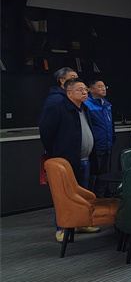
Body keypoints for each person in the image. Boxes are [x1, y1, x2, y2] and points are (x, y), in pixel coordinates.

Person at [39, 77, 99, 241]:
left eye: (86, 89)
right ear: (69, 93)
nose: (84, 92)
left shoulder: (84, 108)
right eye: (80, 89)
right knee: (64, 196)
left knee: (83, 194)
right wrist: (56, 153)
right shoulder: (59, 107)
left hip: (85, 159)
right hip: (65, 160)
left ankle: (81, 223)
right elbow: (46, 132)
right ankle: (62, 228)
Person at [85, 79, 116, 196]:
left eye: (104, 87)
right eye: (100, 87)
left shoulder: (106, 105)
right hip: (94, 146)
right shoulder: (86, 104)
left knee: (105, 175)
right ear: (91, 89)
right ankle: (91, 199)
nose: (103, 89)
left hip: (107, 144)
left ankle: (102, 198)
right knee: (92, 175)